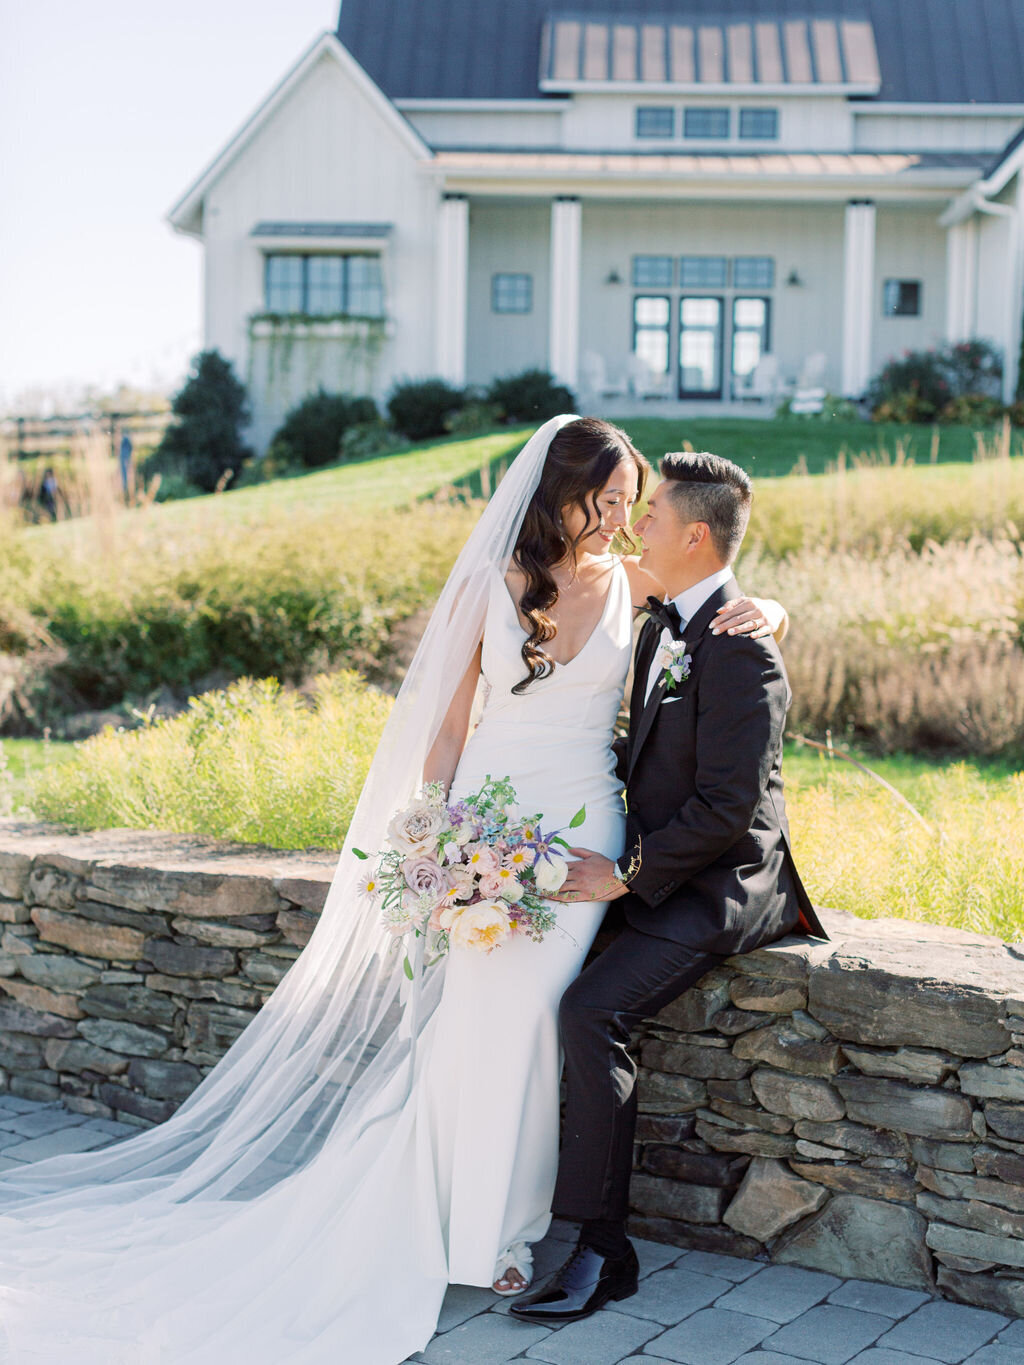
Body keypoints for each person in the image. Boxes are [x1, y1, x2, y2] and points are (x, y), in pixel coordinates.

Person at [0, 418, 790, 1364]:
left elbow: (722, 607)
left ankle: (504, 1225)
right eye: (609, 499)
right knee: (470, 1023)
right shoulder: (491, 584)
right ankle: (449, 1219)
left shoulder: (634, 583)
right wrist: (438, 838)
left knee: (537, 1018)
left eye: (634, 503)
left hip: (583, 833)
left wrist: (770, 610)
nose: (624, 519)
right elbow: (447, 731)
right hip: (485, 825)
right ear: (558, 495)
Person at [510, 452, 828, 1327]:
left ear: (694, 533)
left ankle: (604, 1249)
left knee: (591, 1009)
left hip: (721, 882)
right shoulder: (664, 621)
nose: (632, 525)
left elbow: (730, 809)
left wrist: (623, 875)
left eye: (648, 515)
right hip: (658, 864)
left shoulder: (741, 647)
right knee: (534, 977)